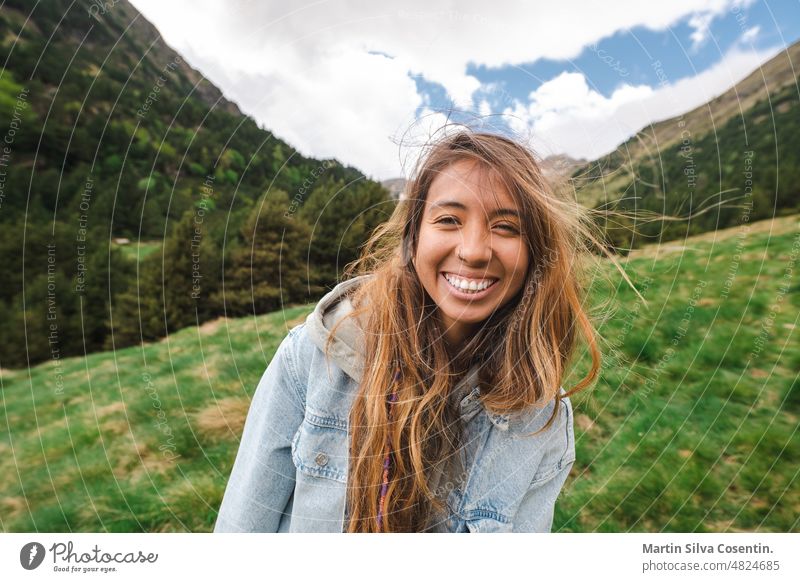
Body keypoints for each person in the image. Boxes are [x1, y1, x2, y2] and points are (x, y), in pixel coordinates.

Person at [213, 128, 601, 533]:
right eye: (448, 220)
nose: (472, 250)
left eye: (506, 227)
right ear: (413, 237)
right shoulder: (309, 359)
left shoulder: (541, 418)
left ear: (535, 252)